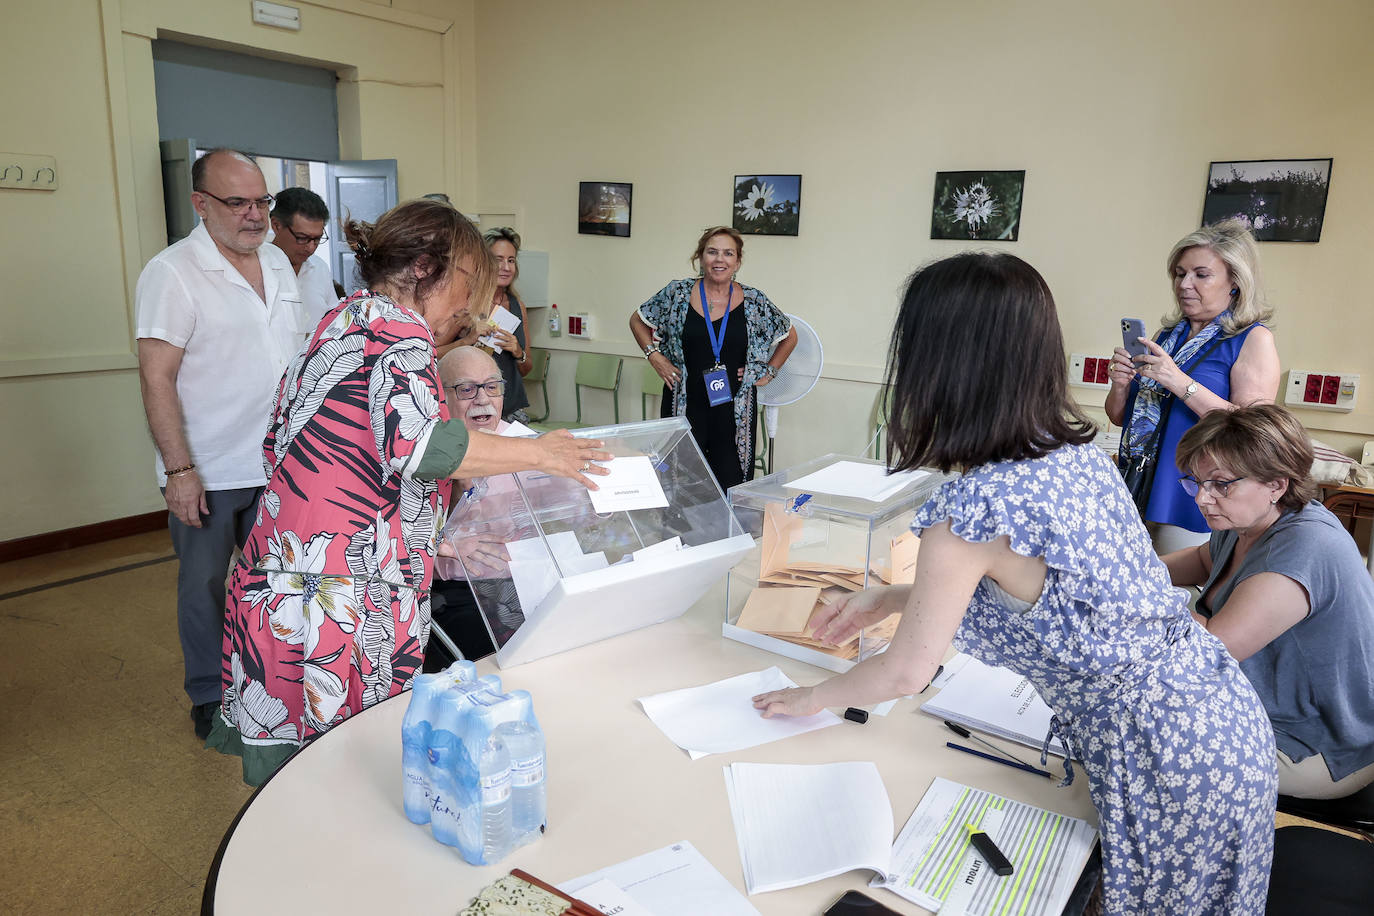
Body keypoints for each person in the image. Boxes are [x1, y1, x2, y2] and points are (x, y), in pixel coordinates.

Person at [753, 252, 1276, 913]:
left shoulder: (976, 507)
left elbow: (905, 672)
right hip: (1220, 723)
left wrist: (811, 698)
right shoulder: (1078, 456)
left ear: (939, 367)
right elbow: (1036, 587)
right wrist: (888, 597)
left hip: (1166, 760)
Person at [206, 199, 609, 785]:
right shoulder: (398, 328)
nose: (470, 306)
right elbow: (421, 445)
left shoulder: (342, 320)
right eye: (468, 284)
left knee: (299, 784)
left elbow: (290, 447)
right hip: (337, 602)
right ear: (424, 268)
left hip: (286, 584)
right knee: (345, 775)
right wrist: (544, 453)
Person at [135, 148, 304, 740]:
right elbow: (156, 377)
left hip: (281, 464)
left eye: (262, 202)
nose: (255, 215)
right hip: (208, 466)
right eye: (238, 203)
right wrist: (179, 469)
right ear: (201, 204)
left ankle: (277, 684)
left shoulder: (280, 265)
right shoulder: (172, 271)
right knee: (206, 587)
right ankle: (209, 692)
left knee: (281, 580)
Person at [1164, 403, 1374, 799]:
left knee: (1144, 741)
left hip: (1317, 742)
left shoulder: (1305, 545)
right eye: (1196, 482)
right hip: (1273, 704)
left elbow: (1210, 650)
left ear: (1277, 484)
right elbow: (1201, 560)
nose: (1202, 498)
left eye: (1221, 484)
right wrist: (1131, 570)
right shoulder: (1246, 520)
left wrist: (1133, 592)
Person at [1105, 219, 1281, 554]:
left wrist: (1179, 382)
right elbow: (1118, 417)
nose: (1185, 284)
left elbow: (1254, 431)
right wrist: (1121, 384)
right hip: (1135, 482)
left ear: (1234, 282)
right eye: (1179, 273)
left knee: (1176, 593)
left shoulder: (1252, 339)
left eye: (1201, 274)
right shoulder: (1164, 337)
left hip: (1193, 492)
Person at [629, 226, 797, 491]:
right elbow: (637, 320)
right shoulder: (677, 293)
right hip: (684, 401)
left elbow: (789, 336)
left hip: (735, 408)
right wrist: (655, 356)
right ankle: (679, 531)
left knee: (731, 479)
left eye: (728, 253)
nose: (720, 259)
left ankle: (730, 531)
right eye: (712, 252)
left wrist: (770, 371)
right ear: (700, 257)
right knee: (680, 478)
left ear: (737, 261)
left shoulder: (754, 300)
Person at [427, 346, 525, 665]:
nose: (482, 399)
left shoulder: (525, 444)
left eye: (492, 387)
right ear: (441, 396)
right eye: (467, 389)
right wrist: (441, 541)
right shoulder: (419, 452)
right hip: (453, 591)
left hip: (520, 582)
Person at [483, 228, 533, 422]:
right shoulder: (466, 303)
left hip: (511, 409)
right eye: (498, 259)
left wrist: (518, 351)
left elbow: (527, 368)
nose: (506, 267)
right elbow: (436, 353)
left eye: (511, 260)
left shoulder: (517, 305)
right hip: (477, 410)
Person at [269, 186, 337, 331]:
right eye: (302, 238)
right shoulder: (257, 267)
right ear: (276, 225)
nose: (311, 248)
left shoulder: (319, 267)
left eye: (317, 239)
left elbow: (333, 318)